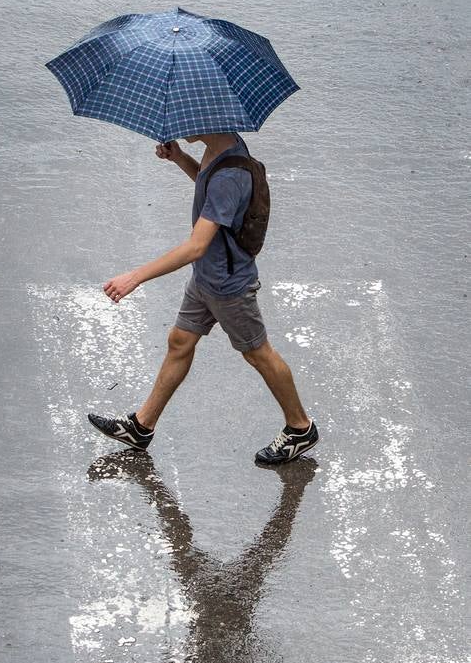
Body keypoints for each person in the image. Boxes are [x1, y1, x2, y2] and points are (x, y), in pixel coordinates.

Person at [88, 131, 318, 465]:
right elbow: (211, 193)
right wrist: (180, 157)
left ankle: (300, 428)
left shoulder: (230, 174)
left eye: (188, 121)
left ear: (209, 117)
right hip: (207, 275)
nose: (182, 126)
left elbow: (197, 244)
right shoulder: (221, 147)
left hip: (228, 286)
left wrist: (135, 277)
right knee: (180, 341)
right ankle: (142, 426)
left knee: (259, 354)